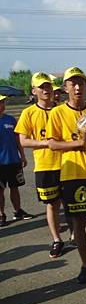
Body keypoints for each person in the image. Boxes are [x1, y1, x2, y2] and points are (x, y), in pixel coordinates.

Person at [46, 66, 86, 284]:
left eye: (81, 83)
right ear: (66, 87)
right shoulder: (58, 112)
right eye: (73, 83)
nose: (78, 87)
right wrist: (79, 143)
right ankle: (85, 264)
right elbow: (52, 143)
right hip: (72, 174)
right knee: (79, 223)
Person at [15, 72, 64, 256]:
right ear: (34, 90)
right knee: (52, 205)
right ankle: (57, 239)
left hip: (67, 164)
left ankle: (75, 236)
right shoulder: (28, 113)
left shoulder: (61, 110)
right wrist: (47, 143)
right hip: (45, 166)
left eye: (48, 86)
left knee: (71, 204)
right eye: (41, 87)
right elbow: (24, 141)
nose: (46, 90)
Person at [0, 95, 32, 227]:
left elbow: (18, 139)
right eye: (0, 102)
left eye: (3, 102)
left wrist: (22, 155)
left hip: (13, 160)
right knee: (0, 190)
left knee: (15, 187)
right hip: (0, 163)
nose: (2, 105)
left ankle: (18, 210)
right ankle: (1, 214)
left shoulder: (11, 119)